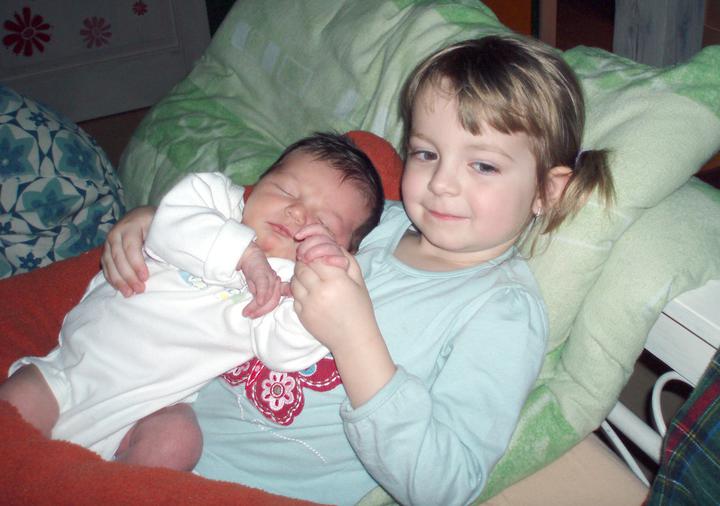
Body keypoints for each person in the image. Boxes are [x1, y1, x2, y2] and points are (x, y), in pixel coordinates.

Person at [96, 34, 615, 505]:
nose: (442, 183)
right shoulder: (377, 221)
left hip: (246, 489)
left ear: (547, 191)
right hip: (156, 417)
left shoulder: (502, 311)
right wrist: (156, 220)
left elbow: (446, 484)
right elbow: (253, 214)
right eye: (426, 153)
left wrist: (354, 338)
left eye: (483, 165)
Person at [0, 132, 384, 471]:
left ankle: (108, 486)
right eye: (285, 190)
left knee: (178, 441)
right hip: (66, 375)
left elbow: (284, 350)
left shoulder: (287, 286)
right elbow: (170, 222)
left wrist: (326, 278)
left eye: (323, 222)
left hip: (143, 412)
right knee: (15, 411)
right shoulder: (213, 203)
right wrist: (245, 254)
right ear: (256, 185)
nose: (298, 212)